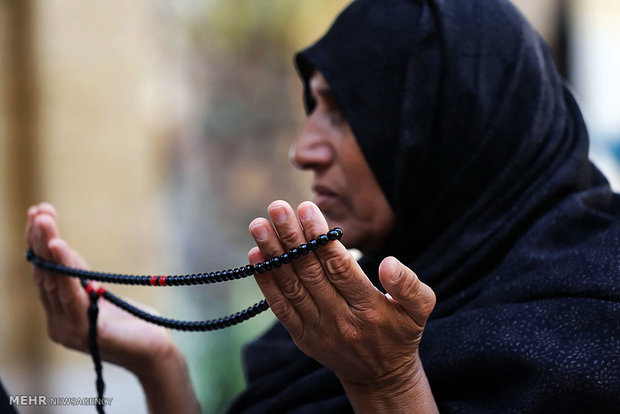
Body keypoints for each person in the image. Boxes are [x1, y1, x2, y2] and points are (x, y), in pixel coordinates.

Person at [26, 0, 620, 412]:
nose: (303, 148)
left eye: (342, 111)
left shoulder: (592, 311)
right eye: (312, 107)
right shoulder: (361, 310)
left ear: (455, 125)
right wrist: (159, 363)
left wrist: (388, 386)